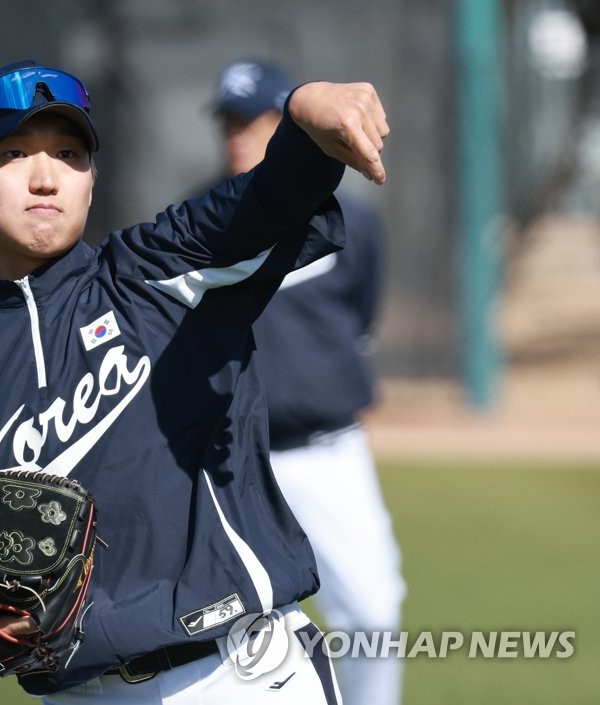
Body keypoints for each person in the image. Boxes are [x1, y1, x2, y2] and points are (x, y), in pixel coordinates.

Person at [0, 58, 390, 704]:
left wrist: (307, 112)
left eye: (69, 152)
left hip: (244, 672)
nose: (46, 175)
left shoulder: (160, 271)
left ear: (91, 181)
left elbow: (271, 196)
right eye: (13, 152)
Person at [211, 59, 406, 705]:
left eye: (256, 119)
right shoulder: (196, 231)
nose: (239, 134)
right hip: (227, 466)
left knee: (375, 615)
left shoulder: (352, 221)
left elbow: (362, 311)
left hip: (328, 451)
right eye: (229, 121)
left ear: (289, 126)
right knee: (233, 642)